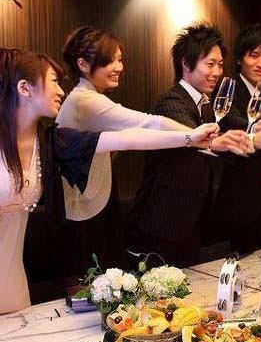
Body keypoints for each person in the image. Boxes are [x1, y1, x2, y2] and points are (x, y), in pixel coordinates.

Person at [0, 48, 235, 314]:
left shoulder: (52, 142)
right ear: (24, 88)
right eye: (53, 81)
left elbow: (127, 138)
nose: (61, 91)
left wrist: (189, 138)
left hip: (14, 284)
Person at [56, 26, 199, 275]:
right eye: (109, 61)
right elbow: (147, 124)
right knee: (90, 281)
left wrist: (194, 138)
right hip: (80, 208)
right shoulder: (85, 100)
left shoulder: (88, 96)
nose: (119, 67)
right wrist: (195, 137)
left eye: (120, 60)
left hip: (94, 199)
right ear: (82, 64)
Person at [128, 23, 260, 265]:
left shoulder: (207, 105)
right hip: (162, 222)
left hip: (193, 221)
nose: (217, 72)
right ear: (186, 64)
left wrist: (253, 136)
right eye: (210, 64)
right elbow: (192, 136)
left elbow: (229, 132)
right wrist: (220, 141)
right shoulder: (171, 101)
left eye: (220, 65)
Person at [214, 23, 261, 253]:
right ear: (239, 59)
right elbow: (230, 119)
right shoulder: (228, 89)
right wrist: (256, 127)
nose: (260, 64)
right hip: (241, 199)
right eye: (253, 55)